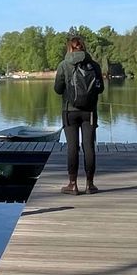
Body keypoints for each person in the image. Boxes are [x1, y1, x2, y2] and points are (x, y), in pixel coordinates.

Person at [53, 34, 104, 194]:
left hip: (69, 112)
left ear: (70, 48)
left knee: (72, 147)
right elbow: (101, 88)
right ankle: (90, 185)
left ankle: (72, 184)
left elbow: (57, 89)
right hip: (89, 112)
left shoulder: (64, 65)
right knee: (89, 147)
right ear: (83, 48)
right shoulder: (94, 65)